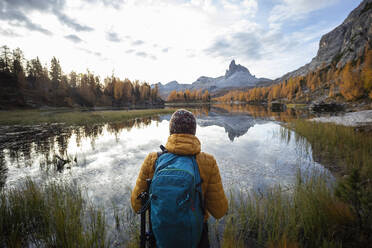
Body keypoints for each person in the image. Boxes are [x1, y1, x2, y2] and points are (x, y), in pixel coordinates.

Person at [131, 109, 228, 247]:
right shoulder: (208, 161)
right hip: (196, 239)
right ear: (194, 131)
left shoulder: (152, 160)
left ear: (171, 131)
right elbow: (219, 211)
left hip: (159, 237)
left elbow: (136, 205)